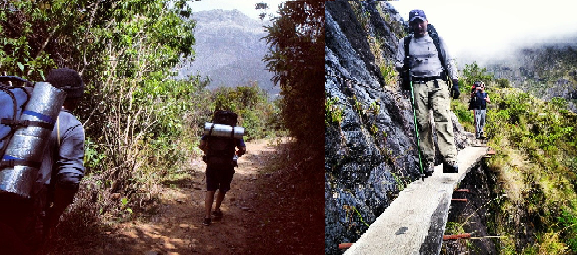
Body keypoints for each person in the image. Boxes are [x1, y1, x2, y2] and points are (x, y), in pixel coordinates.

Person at [0, 68, 86, 254]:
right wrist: (53, 219)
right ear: (74, 98)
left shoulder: (18, 106)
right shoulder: (70, 124)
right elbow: (69, 180)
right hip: (26, 212)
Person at [396, 9, 460, 176]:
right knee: (422, 123)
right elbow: (398, 63)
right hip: (418, 85)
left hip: (438, 83)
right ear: (410, 25)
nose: (418, 26)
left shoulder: (437, 40)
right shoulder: (405, 42)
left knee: (443, 117)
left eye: (421, 22)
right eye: (415, 23)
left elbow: (449, 61)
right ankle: (428, 162)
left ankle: (450, 160)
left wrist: (455, 82)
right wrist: (404, 68)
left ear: (426, 21)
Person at [199, 111, 246, 226]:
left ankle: (207, 217)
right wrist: (237, 154)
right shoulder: (234, 132)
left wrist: (208, 152)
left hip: (212, 164)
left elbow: (201, 144)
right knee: (222, 188)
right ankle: (216, 209)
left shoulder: (211, 130)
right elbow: (243, 149)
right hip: (227, 165)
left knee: (210, 189)